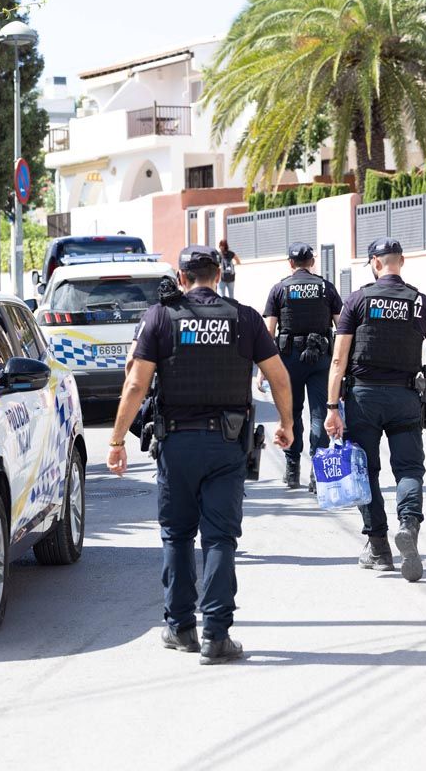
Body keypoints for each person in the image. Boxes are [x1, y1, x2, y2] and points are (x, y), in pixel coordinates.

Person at [107, 245, 293, 665]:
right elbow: (278, 377)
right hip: (228, 444)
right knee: (220, 537)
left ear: (181, 277)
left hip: (176, 444)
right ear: (219, 274)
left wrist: (117, 441)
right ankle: (216, 635)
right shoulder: (245, 318)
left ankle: (180, 628)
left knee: (177, 535)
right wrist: (287, 424)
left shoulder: (159, 317)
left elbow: (135, 384)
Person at [324, 239, 426, 582]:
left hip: (363, 399)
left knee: (364, 471)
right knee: (409, 469)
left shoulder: (357, 300)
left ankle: (379, 547)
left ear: (375, 262)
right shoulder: (421, 303)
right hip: (405, 398)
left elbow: (338, 360)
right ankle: (408, 526)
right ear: (401, 261)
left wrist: (331, 407)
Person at [262, 242, 343, 491]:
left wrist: (264, 370)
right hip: (321, 359)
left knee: (291, 413)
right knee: (320, 414)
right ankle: (317, 473)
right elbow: (342, 328)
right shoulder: (326, 288)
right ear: (312, 262)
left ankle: (292, 468)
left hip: (289, 361)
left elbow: (268, 333)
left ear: (290, 263)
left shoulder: (279, 289)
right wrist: (343, 365)